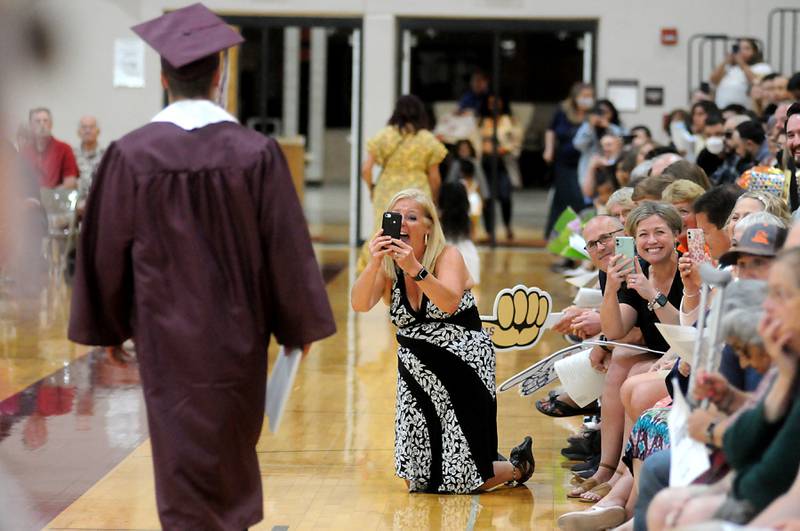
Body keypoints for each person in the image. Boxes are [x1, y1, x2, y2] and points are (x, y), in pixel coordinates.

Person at [68, 5, 337, 529]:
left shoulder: (132, 155)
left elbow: (104, 250)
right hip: (239, 344)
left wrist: (109, 328)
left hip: (165, 345)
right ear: (219, 75)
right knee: (232, 463)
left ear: (163, 77)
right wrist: (296, 327)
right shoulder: (256, 154)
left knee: (180, 468)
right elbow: (284, 245)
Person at [350, 188, 534, 493]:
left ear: (429, 227)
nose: (403, 224)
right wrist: (373, 262)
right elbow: (359, 303)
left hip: (463, 365)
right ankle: (490, 463)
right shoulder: (386, 266)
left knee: (463, 480)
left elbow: (448, 303)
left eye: (412, 217)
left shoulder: (448, 255)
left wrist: (415, 269)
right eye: (397, 218)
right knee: (419, 479)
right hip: (416, 373)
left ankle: (517, 467)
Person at [360, 94, 447, 270]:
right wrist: (435, 199)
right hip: (418, 190)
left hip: (386, 189)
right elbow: (435, 177)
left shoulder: (384, 136)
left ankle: (378, 273)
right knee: (417, 233)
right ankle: (416, 270)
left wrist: (372, 188)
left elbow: (366, 169)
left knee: (381, 231)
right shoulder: (427, 139)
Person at [543, 82, 594, 238]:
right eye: (584, 96)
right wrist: (549, 149)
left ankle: (575, 236)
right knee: (563, 199)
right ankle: (558, 236)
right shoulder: (563, 110)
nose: (587, 100)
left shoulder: (593, 115)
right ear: (575, 97)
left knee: (578, 200)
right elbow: (551, 130)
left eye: (590, 97)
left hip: (583, 162)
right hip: (564, 162)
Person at [478, 94, 521, 242]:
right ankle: (490, 231)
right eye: (490, 103)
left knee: (505, 197)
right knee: (486, 198)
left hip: (502, 164)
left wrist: (505, 148)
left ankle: (507, 225)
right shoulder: (481, 122)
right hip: (485, 164)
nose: (493, 106)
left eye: (496, 102)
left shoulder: (509, 121)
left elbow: (516, 141)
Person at [20, 107, 78, 189]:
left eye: (45, 121)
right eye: (38, 121)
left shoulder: (64, 149)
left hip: (56, 198)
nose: (42, 125)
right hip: (30, 199)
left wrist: (49, 194)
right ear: (31, 125)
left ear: (51, 124)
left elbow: (70, 182)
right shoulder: (24, 151)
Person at [710, 38, 772, 109]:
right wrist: (725, 61)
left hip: (745, 110)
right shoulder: (731, 68)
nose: (742, 51)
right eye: (739, 48)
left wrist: (741, 63)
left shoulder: (761, 67)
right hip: (722, 107)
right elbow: (713, 80)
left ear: (755, 51)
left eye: (746, 48)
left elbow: (756, 81)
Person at [72, 115, 105, 196]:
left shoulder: (106, 155)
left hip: (99, 202)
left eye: (91, 127)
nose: (88, 131)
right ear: (78, 132)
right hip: (77, 204)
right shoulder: (71, 155)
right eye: (84, 127)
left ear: (98, 131)